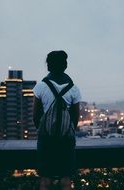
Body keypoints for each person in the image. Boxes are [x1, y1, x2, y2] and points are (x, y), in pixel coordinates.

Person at [33, 50, 81, 190]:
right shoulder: (74, 89)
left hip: (46, 139)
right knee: (66, 178)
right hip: (66, 140)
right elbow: (75, 119)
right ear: (65, 66)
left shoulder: (40, 87)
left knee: (45, 178)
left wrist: (43, 131)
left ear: (48, 66)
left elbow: (35, 116)